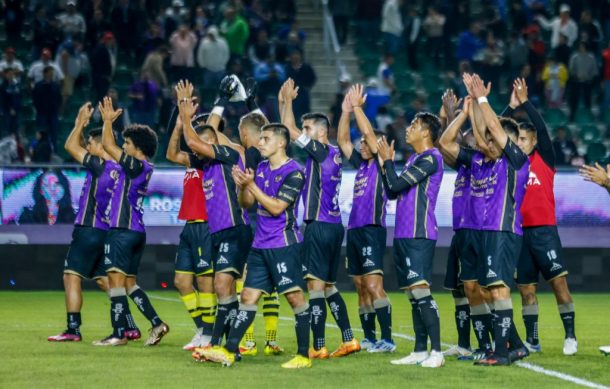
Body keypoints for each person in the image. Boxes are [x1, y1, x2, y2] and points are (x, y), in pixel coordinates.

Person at [197, 123, 311, 369]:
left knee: (294, 298)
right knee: (247, 297)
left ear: (281, 143)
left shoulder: (295, 172)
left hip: (284, 244)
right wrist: (242, 186)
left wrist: (251, 186)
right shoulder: (259, 168)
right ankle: (229, 351)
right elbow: (246, 203)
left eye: (266, 139)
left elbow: (276, 207)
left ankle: (304, 355)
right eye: (260, 139)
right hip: (259, 244)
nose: (260, 143)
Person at [280, 78, 359, 358]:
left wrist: (287, 100)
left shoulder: (320, 149)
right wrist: (284, 103)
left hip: (318, 224)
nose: (303, 133)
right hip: (335, 226)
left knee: (314, 286)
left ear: (321, 132)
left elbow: (288, 131)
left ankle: (318, 346)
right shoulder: (334, 153)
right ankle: (349, 339)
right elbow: (289, 131)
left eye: (307, 129)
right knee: (328, 286)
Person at [48, 103, 139, 343]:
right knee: (104, 280)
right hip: (107, 232)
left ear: (101, 145)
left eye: (90, 144)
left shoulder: (100, 166)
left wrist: (79, 123)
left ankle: (72, 329)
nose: (87, 147)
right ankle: (128, 325)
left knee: (71, 276)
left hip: (88, 229)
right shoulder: (123, 169)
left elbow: (69, 146)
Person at [206, 76, 284, 356]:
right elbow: (269, 130)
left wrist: (222, 100)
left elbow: (211, 134)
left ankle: (241, 343)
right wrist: (251, 103)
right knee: (259, 289)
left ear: (246, 136)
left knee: (251, 288)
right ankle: (240, 344)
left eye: (241, 131)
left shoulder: (247, 152)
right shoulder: (266, 153)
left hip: (261, 225)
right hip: (272, 226)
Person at [368, 85, 445, 367]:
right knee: (413, 293)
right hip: (402, 233)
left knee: (421, 290)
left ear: (426, 132)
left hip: (419, 232)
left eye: (414, 124)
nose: (409, 128)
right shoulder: (414, 159)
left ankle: (436, 351)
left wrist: (388, 162)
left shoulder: (431, 158)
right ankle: (419, 349)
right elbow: (391, 191)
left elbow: (397, 184)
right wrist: (387, 163)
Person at [176, 80, 253, 354]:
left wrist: (186, 117)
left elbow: (199, 138)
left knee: (223, 286)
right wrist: (219, 99)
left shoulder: (227, 155)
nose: (196, 148)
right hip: (219, 233)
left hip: (235, 229)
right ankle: (226, 344)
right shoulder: (208, 165)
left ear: (214, 142)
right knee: (226, 290)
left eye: (204, 142)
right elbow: (197, 140)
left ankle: (221, 344)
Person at [460, 73, 530, 365]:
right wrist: (475, 104)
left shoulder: (516, 159)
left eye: (496, 136)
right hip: (490, 230)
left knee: (498, 288)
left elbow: (491, 126)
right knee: (489, 290)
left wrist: (483, 100)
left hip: (504, 230)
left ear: (508, 141)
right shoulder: (494, 160)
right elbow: (480, 134)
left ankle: (501, 352)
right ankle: (515, 346)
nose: (488, 140)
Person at [506, 79, 577, 356]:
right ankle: (532, 340)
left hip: (545, 232)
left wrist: (525, 104)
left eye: (524, 138)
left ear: (535, 142)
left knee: (559, 283)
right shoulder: (511, 162)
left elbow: (543, 128)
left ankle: (570, 335)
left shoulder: (545, 157)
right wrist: (510, 109)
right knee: (526, 290)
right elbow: (497, 129)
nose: (520, 142)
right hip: (520, 234)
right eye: (518, 138)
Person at [93, 97, 168, 346]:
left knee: (115, 281)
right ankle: (157, 324)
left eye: (126, 143)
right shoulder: (144, 167)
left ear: (138, 148)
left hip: (122, 230)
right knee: (129, 284)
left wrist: (106, 121)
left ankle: (118, 334)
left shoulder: (135, 166)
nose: (123, 146)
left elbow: (106, 143)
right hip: (136, 230)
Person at [337, 87, 392, 352]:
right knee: (360, 287)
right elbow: (343, 140)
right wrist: (346, 111)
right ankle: (370, 338)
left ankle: (388, 339)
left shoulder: (382, 163)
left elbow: (369, 134)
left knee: (373, 284)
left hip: (372, 229)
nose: (362, 144)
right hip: (355, 231)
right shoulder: (360, 165)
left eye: (366, 143)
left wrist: (358, 108)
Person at [165, 110, 216, 351]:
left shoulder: (214, 162)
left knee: (205, 282)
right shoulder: (191, 160)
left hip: (206, 226)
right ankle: (203, 329)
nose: (196, 146)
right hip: (189, 226)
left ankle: (209, 334)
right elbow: (170, 153)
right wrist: (177, 126)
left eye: (201, 140)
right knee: (181, 281)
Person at [438, 90, 475, 360]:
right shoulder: (462, 165)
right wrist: (449, 115)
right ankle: (464, 343)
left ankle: (496, 341)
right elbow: (446, 143)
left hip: (477, 231)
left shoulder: (483, 161)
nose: (466, 142)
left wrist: (453, 113)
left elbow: (453, 142)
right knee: (459, 290)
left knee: (480, 289)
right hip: (459, 231)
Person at [32, 66, 61, 151]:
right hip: (42, 113)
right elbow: (35, 99)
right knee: (41, 134)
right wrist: (39, 109)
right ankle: (40, 152)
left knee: (54, 135)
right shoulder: (38, 85)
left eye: (52, 73)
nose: (51, 75)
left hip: (53, 113)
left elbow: (59, 98)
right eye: (49, 73)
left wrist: (57, 109)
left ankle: (54, 153)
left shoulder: (55, 85)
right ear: (45, 73)